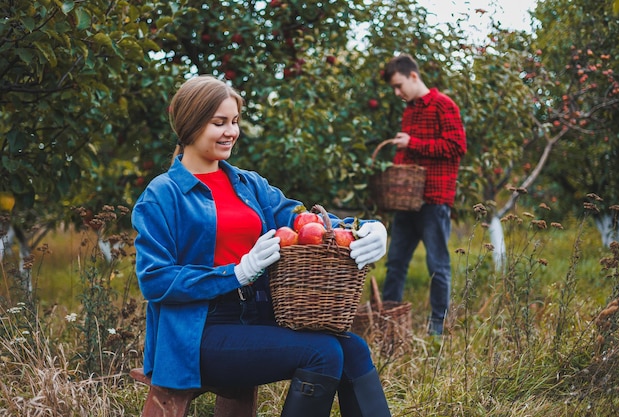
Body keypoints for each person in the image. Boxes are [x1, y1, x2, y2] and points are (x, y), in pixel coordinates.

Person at [131, 75, 392, 417]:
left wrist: (366, 230)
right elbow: (155, 280)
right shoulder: (162, 194)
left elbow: (302, 219)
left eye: (235, 121)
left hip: (257, 315)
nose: (231, 132)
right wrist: (236, 273)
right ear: (191, 125)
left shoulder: (248, 184)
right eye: (218, 123)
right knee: (323, 352)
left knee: (353, 348)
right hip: (197, 333)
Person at [380, 53, 467, 336]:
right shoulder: (410, 110)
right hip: (407, 200)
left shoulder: (444, 105)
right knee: (395, 262)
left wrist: (413, 144)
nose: (397, 92)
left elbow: (456, 147)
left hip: (433, 199)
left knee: (437, 265)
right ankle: (388, 325)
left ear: (413, 76)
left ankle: (437, 329)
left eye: (398, 85)